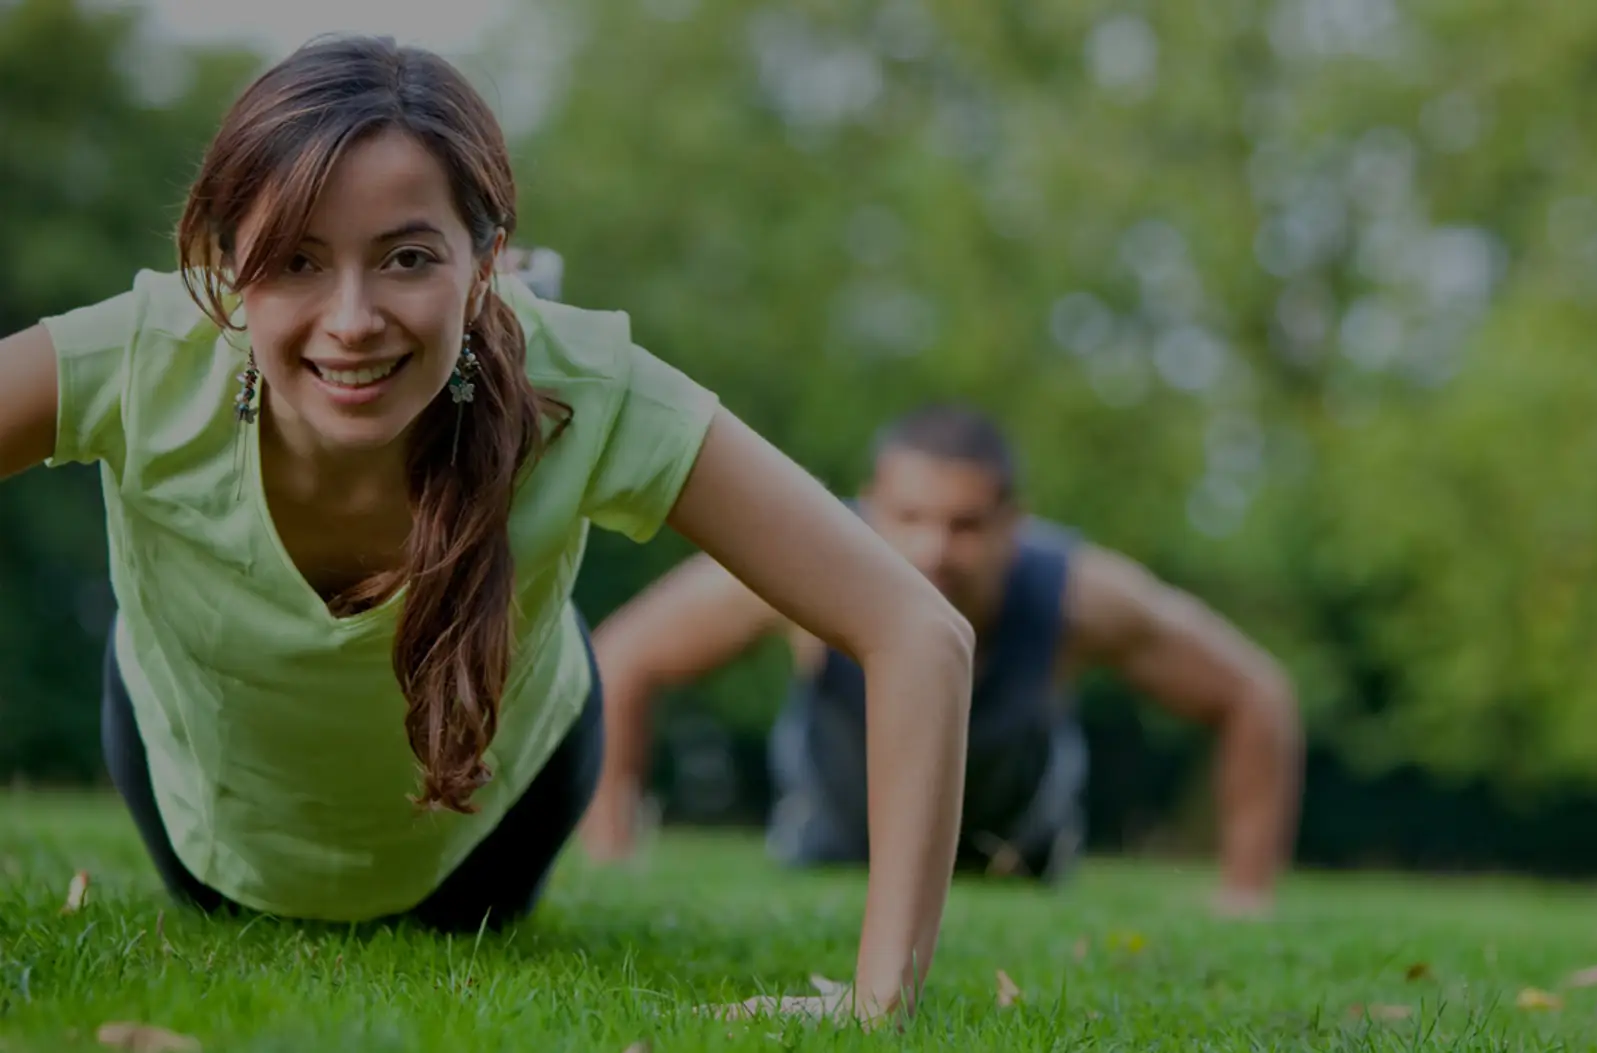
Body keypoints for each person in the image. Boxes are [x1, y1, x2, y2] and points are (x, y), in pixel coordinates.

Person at [0, 35, 972, 1026]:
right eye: (295, 260)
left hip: (488, 842)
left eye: (407, 258)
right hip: (203, 828)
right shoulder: (139, 355)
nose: (351, 320)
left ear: (483, 261)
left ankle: (489, 329)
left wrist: (877, 998)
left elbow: (917, 632)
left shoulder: (590, 386)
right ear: (224, 264)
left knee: (528, 407)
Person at [582, 405, 1305, 916]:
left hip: (1016, 871)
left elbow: (1255, 696)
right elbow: (624, 656)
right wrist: (612, 850)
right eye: (911, 517)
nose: (933, 548)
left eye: (965, 526)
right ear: (869, 509)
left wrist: (1245, 893)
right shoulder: (801, 561)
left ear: (1013, 525)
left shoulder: (1082, 597)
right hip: (828, 859)